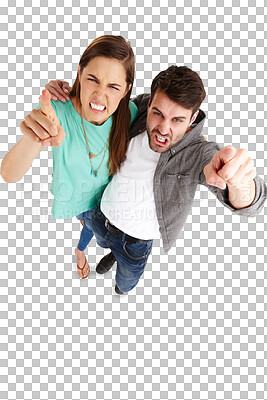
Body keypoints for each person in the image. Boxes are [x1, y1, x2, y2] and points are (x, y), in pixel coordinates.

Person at [23, 66, 267, 295]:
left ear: (192, 119)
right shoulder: (136, 112)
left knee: (125, 283)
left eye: (178, 120)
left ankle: (120, 280)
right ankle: (111, 253)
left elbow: (252, 202)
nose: (163, 129)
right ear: (149, 103)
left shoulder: (199, 154)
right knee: (101, 240)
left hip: (135, 245)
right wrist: (66, 93)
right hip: (101, 215)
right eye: (158, 113)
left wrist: (239, 180)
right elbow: (99, 105)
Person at [0, 35, 137, 280]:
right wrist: (36, 136)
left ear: (126, 89)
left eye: (113, 87)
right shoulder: (57, 111)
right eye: (92, 79)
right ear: (79, 72)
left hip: (109, 199)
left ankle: (80, 249)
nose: (99, 95)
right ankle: (82, 249)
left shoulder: (130, 113)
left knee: (96, 230)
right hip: (77, 199)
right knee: (98, 232)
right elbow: (9, 174)